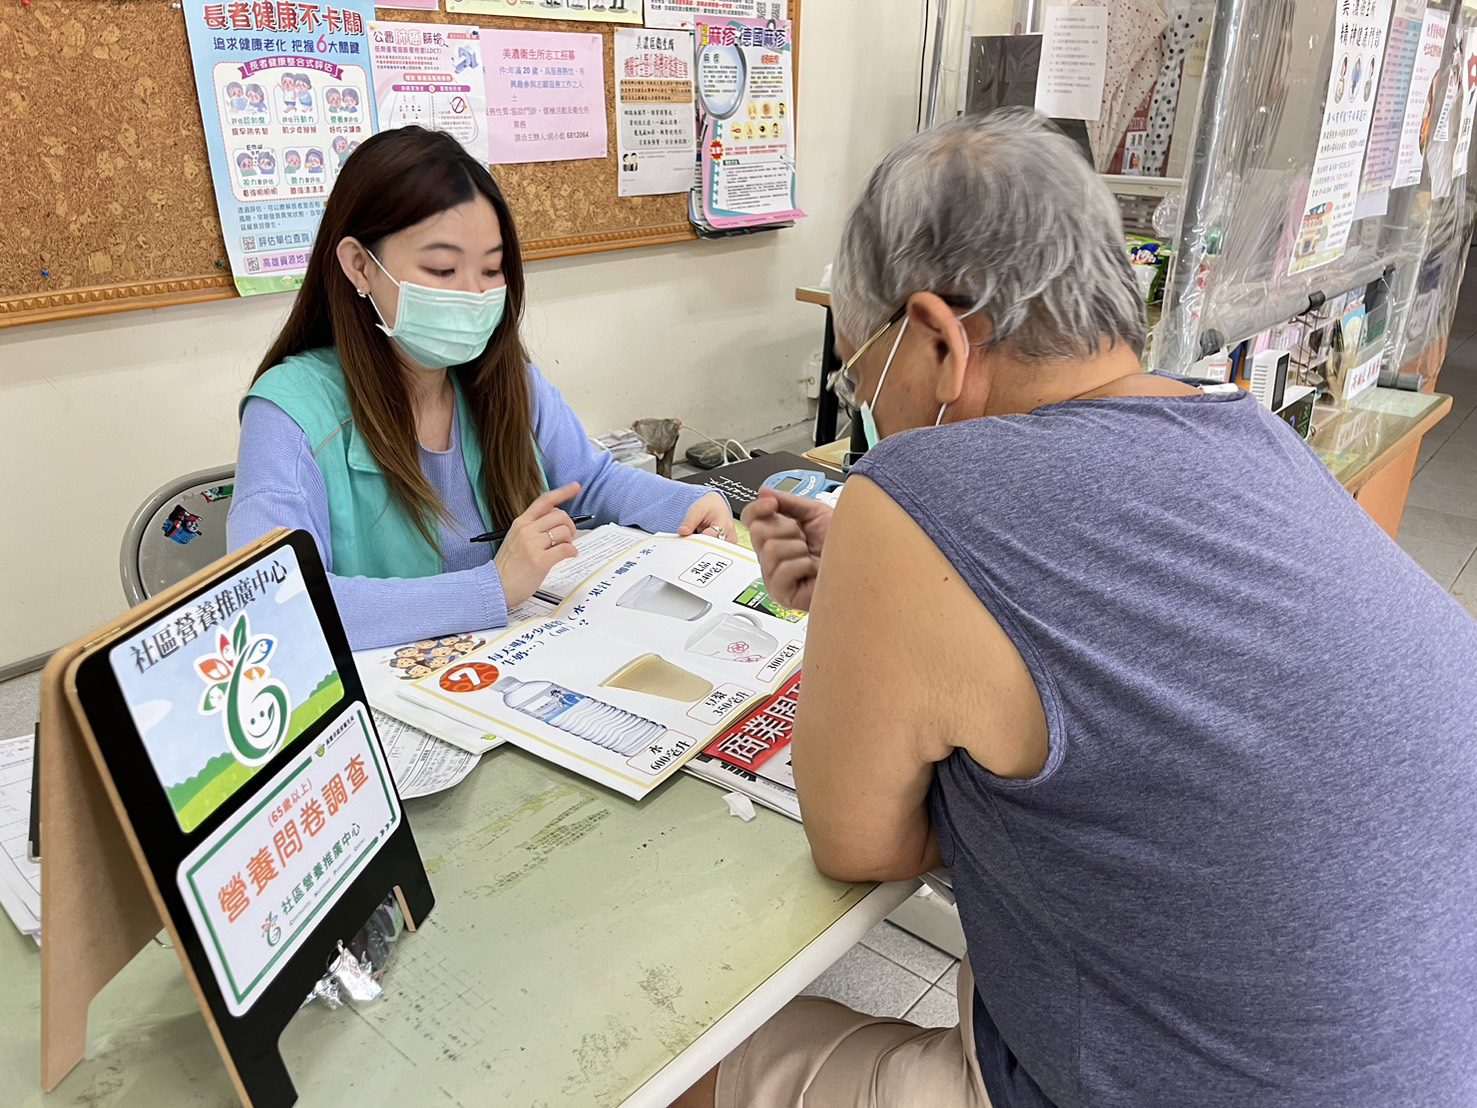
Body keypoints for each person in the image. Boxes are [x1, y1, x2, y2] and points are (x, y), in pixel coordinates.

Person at [679, 109, 1477, 1108]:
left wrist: (884, 583)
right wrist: (874, 593)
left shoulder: (916, 486)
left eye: (861, 372)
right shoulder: (1254, 436)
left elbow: (860, 843)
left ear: (935, 335)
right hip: (1423, 1062)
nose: (867, 406)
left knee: (683, 1057)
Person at [228, 127, 730, 649]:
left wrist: (687, 505)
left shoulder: (502, 377)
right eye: (442, 269)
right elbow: (271, 604)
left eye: (491, 269)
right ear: (360, 266)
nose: (474, 295)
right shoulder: (288, 413)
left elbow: (591, 483)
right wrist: (490, 587)